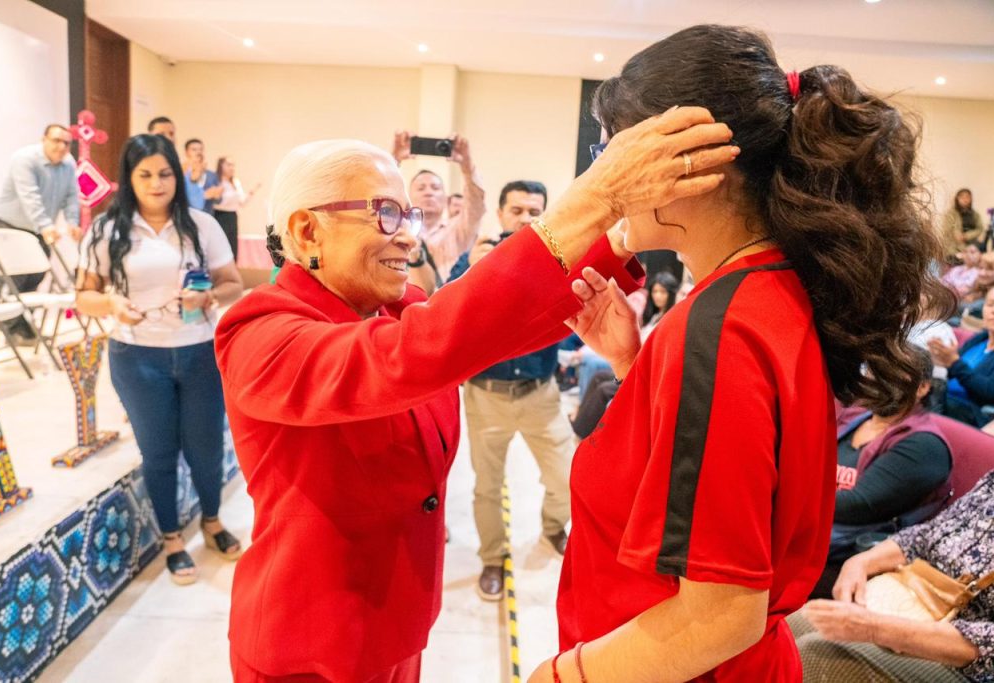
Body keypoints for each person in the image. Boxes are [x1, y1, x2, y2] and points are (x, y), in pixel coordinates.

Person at [215, 110, 737, 682]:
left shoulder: (397, 307)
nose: (409, 236)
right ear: (308, 231)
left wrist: (616, 239)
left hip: (395, 622)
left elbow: (493, 326)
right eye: (386, 214)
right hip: (310, 643)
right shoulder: (261, 330)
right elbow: (414, 351)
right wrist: (597, 197)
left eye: (408, 215)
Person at [528, 25, 955, 683]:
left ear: (695, 164)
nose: (604, 178)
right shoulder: (765, 291)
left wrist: (562, 675)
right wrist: (634, 365)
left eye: (615, 153)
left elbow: (720, 615)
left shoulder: (720, 328)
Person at [75, 134, 244, 585]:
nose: (156, 184)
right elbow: (84, 296)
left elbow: (232, 283)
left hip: (199, 352)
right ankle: (172, 539)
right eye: (145, 174)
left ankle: (212, 522)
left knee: (207, 448)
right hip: (137, 358)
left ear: (177, 176)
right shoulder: (107, 230)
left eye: (165, 174)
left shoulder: (202, 225)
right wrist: (111, 304)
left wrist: (209, 296)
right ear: (129, 178)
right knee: (158, 452)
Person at [447, 180, 576, 600]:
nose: (524, 219)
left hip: (541, 393)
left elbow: (575, 322)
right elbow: (445, 314)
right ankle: (492, 557)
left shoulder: (558, 260)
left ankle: (553, 528)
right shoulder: (476, 258)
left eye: (534, 211)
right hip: (485, 395)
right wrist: (471, 271)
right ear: (500, 214)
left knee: (566, 478)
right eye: (516, 210)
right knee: (487, 485)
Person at [790, 468, 994, 683]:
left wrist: (877, 629)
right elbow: (925, 535)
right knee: (792, 626)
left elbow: (861, 502)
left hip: (961, 660)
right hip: (909, 602)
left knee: (816, 655)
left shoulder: (926, 451)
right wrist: (860, 562)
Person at [811, 347, 952, 598]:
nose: (877, 378)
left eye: (892, 372)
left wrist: (787, 497)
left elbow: (858, 505)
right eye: (874, 369)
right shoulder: (854, 417)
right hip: (814, 525)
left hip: (847, 551)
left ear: (922, 388)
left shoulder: (924, 445)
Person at [0, 123, 81, 344]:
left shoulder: (69, 164)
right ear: (44, 140)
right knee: (13, 281)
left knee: (36, 278)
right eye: (56, 140)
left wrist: (73, 222)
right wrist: (45, 225)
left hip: (39, 230)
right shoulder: (24, 159)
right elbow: (29, 196)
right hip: (11, 226)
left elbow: (72, 195)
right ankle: (11, 331)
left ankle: (23, 328)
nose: (61, 147)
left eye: (66, 143)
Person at [570, 271, 679, 440]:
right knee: (597, 375)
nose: (658, 296)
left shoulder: (670, 318)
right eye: (655, 291)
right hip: (634, 362)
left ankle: (582, 431)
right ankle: (580, 415)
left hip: (645, 370)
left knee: (600, 382)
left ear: (671, 293)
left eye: (662, 292)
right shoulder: (653, 315)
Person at [392, 131, 485, 292]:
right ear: (409, 196)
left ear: (445, 198)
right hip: (407, 301)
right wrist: (394, 160)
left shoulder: (459, 230)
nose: (429, 192)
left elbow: (476, 203)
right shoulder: (398, 229)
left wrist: (466, 164)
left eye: (435, 188)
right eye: (421, 188)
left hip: (450, 301)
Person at [930, 286, 994, 427]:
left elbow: (990, 391)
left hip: (971, 412)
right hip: (945, 398)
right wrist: (939, 359)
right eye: (990, 305)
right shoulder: (980, 339)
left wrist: (954, 362)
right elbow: (950, 368)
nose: (993, 311)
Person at [212, 156, 261, 260]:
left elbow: (242, 202)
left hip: (232, 216)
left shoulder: (235, 182)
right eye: (229, 165)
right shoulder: (215, 181)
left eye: (233, 165)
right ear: (221, 166)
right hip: (219, 215)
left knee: (232, 246)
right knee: (220, 245)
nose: (232, 168)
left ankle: (232, 266)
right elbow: (216, 202)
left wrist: (252, 192)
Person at [942, 189, 985, 261]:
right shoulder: (950, 213)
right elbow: (946, 228)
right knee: (953, 257)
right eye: (962, 197)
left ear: (971, 199)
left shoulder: (975, 214)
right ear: (957, 198)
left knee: (980, 254)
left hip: (971, 243)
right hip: (954, 244)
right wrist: (956, 233)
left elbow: (980, 228)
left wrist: (966, 236)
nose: (965, 199)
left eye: (967, 197)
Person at [183, 138, 222, 214]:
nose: (198, 152)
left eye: (201, 149)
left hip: (207, 216)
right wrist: (202, 196)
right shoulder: (181, 173)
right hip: (187, 215)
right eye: (194, 150)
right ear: (186, 153)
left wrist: (216, 195)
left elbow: (219, 201)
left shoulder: (212, 175)